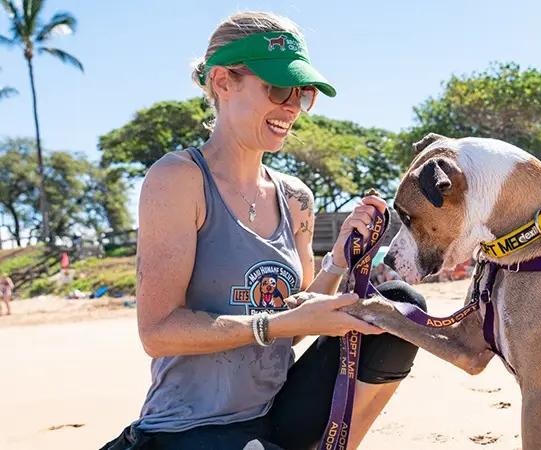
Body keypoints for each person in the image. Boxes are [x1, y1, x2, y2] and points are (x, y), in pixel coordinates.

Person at [100, 11, 426, 450]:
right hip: (189, 428)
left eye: (302, 93)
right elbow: (156, 333)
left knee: (400, 310)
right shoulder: (179, 179)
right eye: (276, 88)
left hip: (277, 415)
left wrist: (338, 263)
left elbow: (296, 323)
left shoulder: (296, 198)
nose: (291, 106)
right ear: (222, 82)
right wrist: (274, 324)